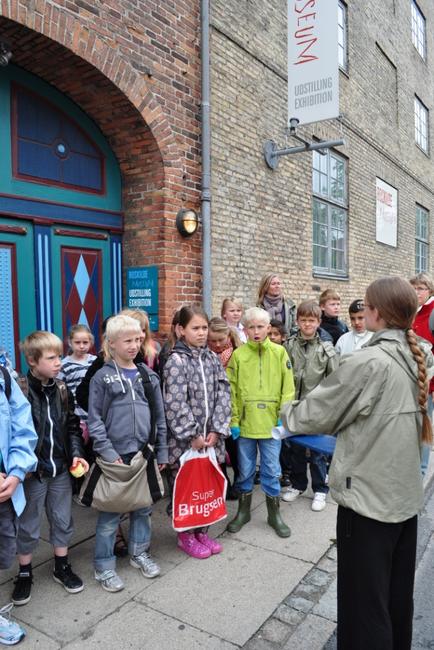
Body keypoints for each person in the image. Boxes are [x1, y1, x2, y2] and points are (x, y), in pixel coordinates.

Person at [281, 276, 432, 650]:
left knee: (364, 606)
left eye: (365, 307)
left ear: (376, 313)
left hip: (367, 500)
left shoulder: (369, 362)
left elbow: (318, 410)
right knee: (396, 596)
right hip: (403, 498)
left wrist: (285, 415)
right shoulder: (421, 354)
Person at [87, 315, 168, 592]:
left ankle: (139, 552)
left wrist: (163, 452)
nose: (134, 345)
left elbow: (160, 417)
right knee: (110, 516)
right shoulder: (102, 377)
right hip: (115, 459)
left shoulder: (149, 376)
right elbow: (94, 419)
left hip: (143, 455)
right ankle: (104, 566)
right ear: (111, 343)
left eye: (138, 339)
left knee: (143, 509)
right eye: (127, 341)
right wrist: (108, 452)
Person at [12, 332, 89, 607]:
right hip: (33, 473)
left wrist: (77, 455)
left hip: (60, 471)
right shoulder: (20, 390)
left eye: (59, 356)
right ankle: (24, 572)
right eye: (52, 357)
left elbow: (72, 428)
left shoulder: (62, 389)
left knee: (62, 519)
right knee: (28, 524)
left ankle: (61, 565)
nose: (58, 362)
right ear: (33, 361)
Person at [163, 305, 231, 559]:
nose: (202, 333)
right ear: (181, 330)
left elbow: (224, 392)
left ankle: (202, 531)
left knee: (207, 487)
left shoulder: (212, 358)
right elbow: (175, 402)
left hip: (210, 440)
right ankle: (185, 535)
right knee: (188, 489)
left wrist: (216, 429)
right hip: (187, 443)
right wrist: (192, 434)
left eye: (204, 328)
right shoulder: (176, 361)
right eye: (196, 328)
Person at [226, 307, 295, 537]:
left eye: (260, 327)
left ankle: (274, 514)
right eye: (251, 327)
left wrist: (282, 416)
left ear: (268, 328)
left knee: (271, 468)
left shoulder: (279, 353)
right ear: (244, 330)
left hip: (271, 425)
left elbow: (288, 388)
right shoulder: (238, 355)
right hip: (245, 424)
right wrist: (234, 420)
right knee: (244, 470)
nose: (256, 331)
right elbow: (232, 390)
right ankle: (243, 512)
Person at [282, 300, 338, 511]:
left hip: (316, 409)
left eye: (311, 321)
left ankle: (320, 489)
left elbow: (334, 382)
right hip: (294, 407)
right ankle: (298, 484)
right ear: (297, 321)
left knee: (317, 452)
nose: (307, 325)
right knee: (295, 448)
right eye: (303, 320)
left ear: (318, 322)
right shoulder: (288, 346)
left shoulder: (326, 349)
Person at [0, 366, 38, 645]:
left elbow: (23, 428)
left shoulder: (3, 378)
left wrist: (16, 472)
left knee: (3, 550)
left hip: (4, 491)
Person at [208, 317, 241, 499]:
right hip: (214, 411)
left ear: (228, 335)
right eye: (212, 341)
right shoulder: (206, 354)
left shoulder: (237, 352)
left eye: (221, 340)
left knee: (235, 450)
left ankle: (240, 480)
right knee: (218, 450)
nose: (217, 344)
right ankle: (224, 483)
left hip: (234, 409)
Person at [409, 273, 434, 477]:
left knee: (424, 427)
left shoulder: (432, 312)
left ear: (430, 291)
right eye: (414, 288)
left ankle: (421, 470)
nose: (417, 292)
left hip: (428, 383)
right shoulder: (410, 311)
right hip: (410, 380)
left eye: (421, 288)